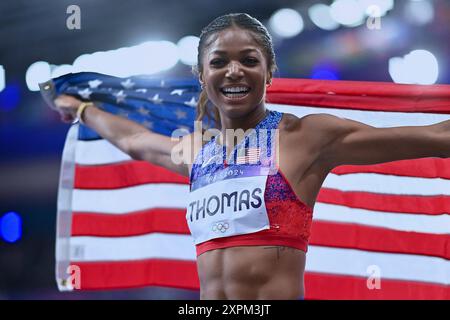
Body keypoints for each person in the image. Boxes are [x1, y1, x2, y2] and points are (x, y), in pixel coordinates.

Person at [52, 13, 449, 300]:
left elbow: (432, 137)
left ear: (270, 71)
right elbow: (135, 141)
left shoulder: (304, 137)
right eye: (219, 62)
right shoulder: (198, 151)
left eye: (249, 60)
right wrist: (83, 110)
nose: (234, 71)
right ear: (202, 76)